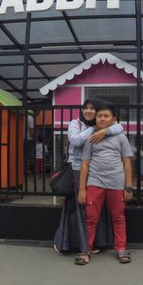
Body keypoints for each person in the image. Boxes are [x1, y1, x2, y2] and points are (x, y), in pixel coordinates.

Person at [53, 99, 124, 264]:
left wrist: (103, 132)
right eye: (86, 108)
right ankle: (70, 243)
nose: (89, 111)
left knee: (93, 211)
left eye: (92, 108)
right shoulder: (76, 123)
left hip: (95, 172)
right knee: (77, 208)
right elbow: (76, 141)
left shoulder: (102, 125)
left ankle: (93, 244)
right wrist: (94, 129)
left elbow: (120, 127)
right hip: (77, 170)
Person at [78, 102, 134, 265]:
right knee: (90, 218)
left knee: (118, 217)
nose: (102, 118)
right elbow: (85, 164)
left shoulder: (121, 137)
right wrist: (82, 189)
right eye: (99, 116)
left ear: (113, 119)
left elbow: (127, 162)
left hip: (117, 183)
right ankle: (85, 249)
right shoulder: (90, 138)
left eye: (106, 116)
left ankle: (121, 248)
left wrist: (128, 187)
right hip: (95, 182)